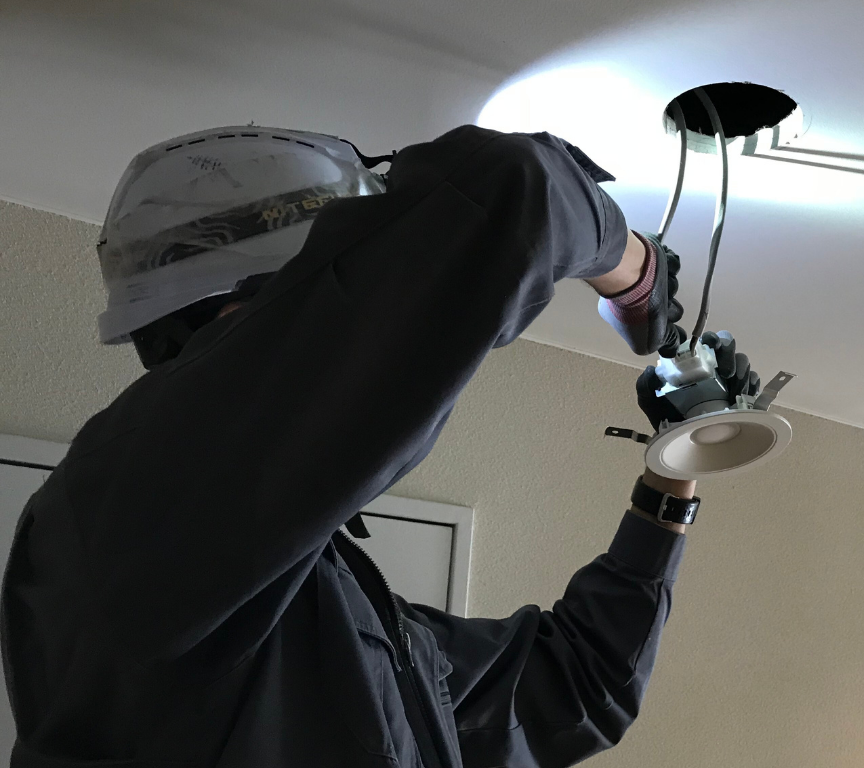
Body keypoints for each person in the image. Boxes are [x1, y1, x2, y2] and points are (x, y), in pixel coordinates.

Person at [0, 124, 762, 768]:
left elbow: (581, 686)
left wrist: (675, 471)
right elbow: (510, 188)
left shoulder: (340, 630)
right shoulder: (130, 503)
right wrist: (639, 275)